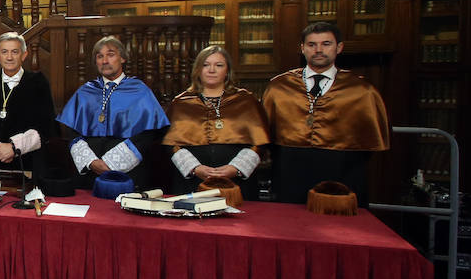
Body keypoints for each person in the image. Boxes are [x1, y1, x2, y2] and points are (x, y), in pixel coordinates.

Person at [263, 22, 389, 205]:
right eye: (312, 44)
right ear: (302, 48)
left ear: (339, 47)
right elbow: (265, 135)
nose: (318, 50)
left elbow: (369, 146)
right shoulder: (279, 86)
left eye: (326, 44)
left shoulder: (361, 90)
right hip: (290, 170)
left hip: (342, 171)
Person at [56, 36, 170, 190]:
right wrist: (91, 162)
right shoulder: (86, 91)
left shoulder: (139, 90)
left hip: (128, 173)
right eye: (100, 56)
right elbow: (71, 132)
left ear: (122, 58)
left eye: (110, 55)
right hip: (89, 174)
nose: (104, 61)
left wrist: (114, 162)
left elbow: (150, 133)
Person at [162, 45, 269, 199]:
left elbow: (260, 142)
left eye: (219, 65)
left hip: (236, 184)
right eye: (206, 65)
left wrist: (236, 168)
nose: (211, 70)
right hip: (192, 183)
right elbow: (171, 144)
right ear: (198, 69)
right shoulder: (181, 102)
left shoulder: (246, 100)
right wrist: (196, 168)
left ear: (227, 71)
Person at [0, 32, 56, 181]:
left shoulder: (38, 83)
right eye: (4, 52)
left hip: (28, 163)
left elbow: (47, 126)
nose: (9, 57)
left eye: (15, 52)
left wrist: (14, 148)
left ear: (24, 55)